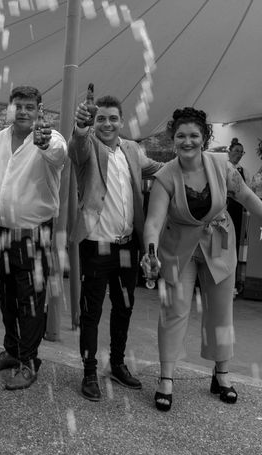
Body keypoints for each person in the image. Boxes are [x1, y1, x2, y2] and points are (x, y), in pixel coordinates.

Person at [142, 107, 262, 411]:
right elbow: (154, 222)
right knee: (174, 312)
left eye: (194, 135)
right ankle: (166, 379)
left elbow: (246, 196)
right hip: (179, 249)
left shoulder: (222, 167)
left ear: (204, 138)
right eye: (181, 135)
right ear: (173, 139)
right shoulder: (166, 175)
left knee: (221, 312)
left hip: (219, 244)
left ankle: (221, 374)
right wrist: (151, 250)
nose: (187, 141)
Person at [69, 94, 162, 402]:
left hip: (127, 247)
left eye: (112, 118)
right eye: (100, 119)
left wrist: (192, 161)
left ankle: (117, 364)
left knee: (124, 306)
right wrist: (81, 128)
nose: (107, 124)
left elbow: (159, 169)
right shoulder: (88, 147)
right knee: (91, 312)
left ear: (121, 121)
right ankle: (89, 371)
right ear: (94, 123)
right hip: (97, 246)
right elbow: (77, 146)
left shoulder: (132, 149)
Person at [0, 86, 67, 390]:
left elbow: (58, 154)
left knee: (30, 301)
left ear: (40, 109)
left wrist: (44, 142)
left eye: (30, 106)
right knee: (6, 296)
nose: (24, 112)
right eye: (18, 106)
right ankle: (13, 352)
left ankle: (29, 362)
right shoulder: (1, 137)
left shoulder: (50, 138)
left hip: (33, 235)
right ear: (11, 108)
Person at [225, 138, 248, 294]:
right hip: (223, 211)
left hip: (237, 211)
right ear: (229, 152)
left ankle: (231, 283)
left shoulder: (242, 171)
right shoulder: (223, 167)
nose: (239, 154)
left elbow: (247, 192)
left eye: (241, 152)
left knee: (233, 246)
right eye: (236, 151)